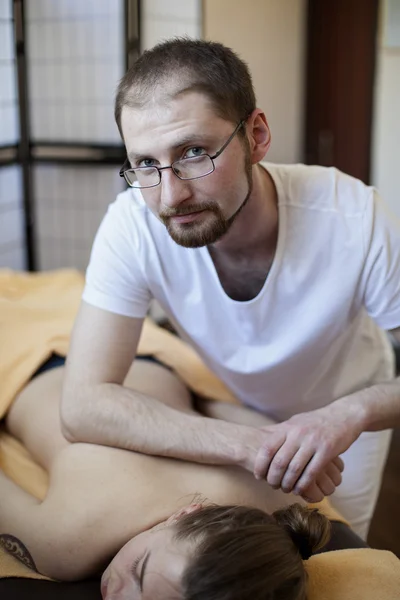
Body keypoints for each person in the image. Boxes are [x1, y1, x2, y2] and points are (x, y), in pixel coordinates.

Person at [60, 38, 400, 539]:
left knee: (334, 550)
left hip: (344, 415)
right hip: (237, 415)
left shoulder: (352, 217)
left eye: (194, 152)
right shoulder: (133, 224)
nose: (171, 195)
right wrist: (251, 444)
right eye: (147, 164)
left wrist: (349, 414)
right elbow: (82, 404)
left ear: (257, 136)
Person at [0, 359, 332, 600]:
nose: (116, 596)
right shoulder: (67, 542)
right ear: (184, 514)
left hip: (153, 361)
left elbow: (231, 412)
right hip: (39, 367)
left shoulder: (284, 490)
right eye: (137, 571)